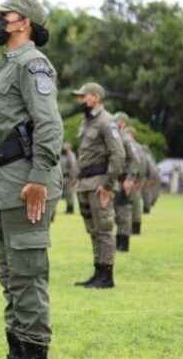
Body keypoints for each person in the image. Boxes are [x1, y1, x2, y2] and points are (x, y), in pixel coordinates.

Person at [0, 0, 63, 359]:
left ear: (23, 21)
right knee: (10, 275)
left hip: (27, 184)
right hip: (3, 183)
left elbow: (49, 124)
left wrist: (40, 178)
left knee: (27, 276)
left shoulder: (32, 64)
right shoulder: (5, 67)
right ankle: (17, 353)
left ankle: (34, 358)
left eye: (3, 15)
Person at [73, 82, 125, 289]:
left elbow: (118, 154)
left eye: (83, 96)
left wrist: (107, 184)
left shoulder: (107, 121)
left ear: (96, 97)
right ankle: (98, 272)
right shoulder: (86, 122)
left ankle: (107, 275)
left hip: (99, 183)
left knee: (103, 229)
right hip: (86, 182)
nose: (80, 100)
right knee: (93, 230)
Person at [113, 112, 141, 252]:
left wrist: (129, 179)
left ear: (123, 123)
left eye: (116, 121)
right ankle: (117, 241)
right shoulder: (115, 137)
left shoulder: (126, 139)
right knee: (116, 213)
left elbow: (135, 160)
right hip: (114, 179)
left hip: (124, 179)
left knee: (124, 211)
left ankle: (123, 242)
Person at [59, 143, 78, 214]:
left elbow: (73, 166)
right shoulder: (61, 155)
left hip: (68, 177)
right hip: (61, 177)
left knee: (69, 194)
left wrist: (73, 177)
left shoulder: (71, 155)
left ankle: (70, 209)